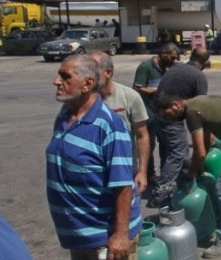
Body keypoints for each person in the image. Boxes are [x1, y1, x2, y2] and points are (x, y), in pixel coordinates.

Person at [47, 54, 141, 259]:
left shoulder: (110, 126)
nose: (56, 81)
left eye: (65, 76)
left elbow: (123, 185)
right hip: (79, 236)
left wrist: (120, 235)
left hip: (104, 240)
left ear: (87, 84)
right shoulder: (64, 116)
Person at [155, 94, 221, 258]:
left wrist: (190, 175)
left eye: (168, 114)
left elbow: (199, 153)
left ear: (176, 105)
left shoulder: (192, 114)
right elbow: (206, 137)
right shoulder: (197, 103)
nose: (170, 119)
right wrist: (199, 166)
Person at [148, 47, 210, 207]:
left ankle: (183, 184)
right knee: (177, 153)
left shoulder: (177, 67)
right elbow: (202, 106)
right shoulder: (198, 76)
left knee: (168, 150)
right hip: (171, 115)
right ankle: (160, 193)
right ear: (204, 63)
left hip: (159, 112)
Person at [91, 51, 150, 202]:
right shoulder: (81, 99)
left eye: (92, 70)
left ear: (108, 72)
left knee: (128, 215)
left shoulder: (129, 97)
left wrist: (142, 172)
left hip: (126, 172)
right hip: (92, 174)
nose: (87, 75)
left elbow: (142, 135)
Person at [133, 42, 179, 190]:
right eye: (172, 57)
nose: (174, 61)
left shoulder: (166, 68)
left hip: (162, 114)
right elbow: (137, 88)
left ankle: (165, 175)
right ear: (164, 53)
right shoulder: (146, 66)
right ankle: (149, 174)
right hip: (148, 113)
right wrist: (155, 92)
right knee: (149, 145)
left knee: (165, 144)